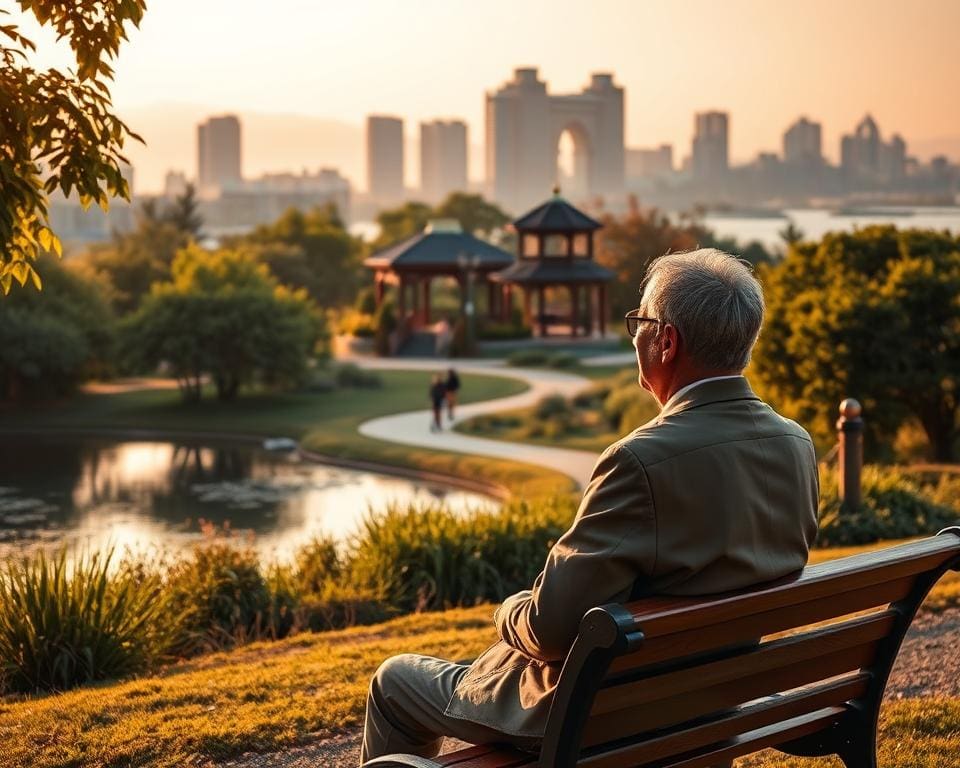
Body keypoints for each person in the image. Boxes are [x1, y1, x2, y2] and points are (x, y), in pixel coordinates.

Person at [360, 249, 820, 765]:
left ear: (667, 342)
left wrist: (507, 612)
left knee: (394, 681)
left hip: (602, 715)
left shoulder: (640, 461)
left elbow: (550, 630)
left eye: (639, 324)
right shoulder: (795, 444)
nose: (636, 337)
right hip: (710, 697)